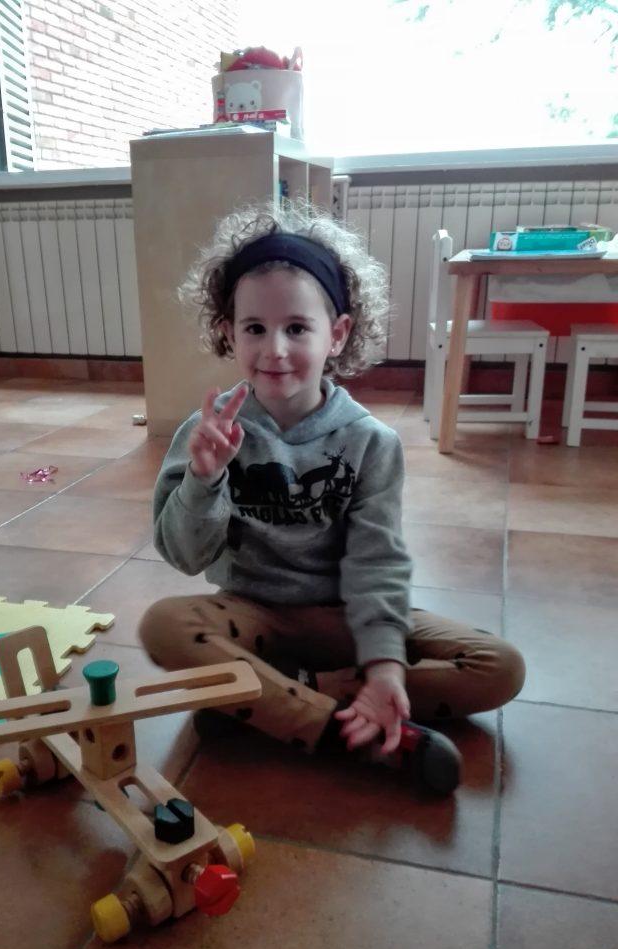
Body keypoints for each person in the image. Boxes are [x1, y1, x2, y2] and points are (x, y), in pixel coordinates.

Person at [138, 201, 525, 796]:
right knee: (165, 625)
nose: (275, 349)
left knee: (499, 667)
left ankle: (267, 699)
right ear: (229, 333)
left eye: (297, 328)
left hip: (346, 618)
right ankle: (335, 728)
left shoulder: (371, 442)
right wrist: (203, 478)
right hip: (252, 616)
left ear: (337, 334)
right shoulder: (209, 432)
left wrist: (385, 667)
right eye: (254, 328)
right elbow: (184, 556)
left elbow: (377, 561)